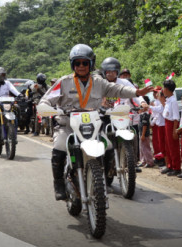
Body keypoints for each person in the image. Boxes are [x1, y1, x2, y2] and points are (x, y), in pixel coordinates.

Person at [38, 44, 153, 200]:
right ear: (72, 64)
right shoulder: (63, 82)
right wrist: (47, 108)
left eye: (85, 63)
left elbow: (117, 89)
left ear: (91, 63)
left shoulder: (99, 82)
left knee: (109, 147)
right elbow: (45, 100)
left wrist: (137, 92)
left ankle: (103, 177)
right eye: (77, 63)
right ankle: (58, 183)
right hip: (68, 127)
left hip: (93, 127)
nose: (81, 66)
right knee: (58, 150)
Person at [100, 57, 143, 173]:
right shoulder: (100, 84)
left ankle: (132, 161)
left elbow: (136, 94)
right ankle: (103, 166)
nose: (111, 73)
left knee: (132, 135)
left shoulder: (124, 83)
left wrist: (143, 103)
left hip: (122, 116)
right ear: (104, 72)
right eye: (108, 71)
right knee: (104, 141)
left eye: (114, 71)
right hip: (106, 116)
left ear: (117, 72)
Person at [160, 79, 181, 176]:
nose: (163, 89)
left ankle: (176, 167)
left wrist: (174, 131)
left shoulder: (173, 101)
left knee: (173, 147)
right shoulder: (168, 100)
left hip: (172, 124)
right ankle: (170, 165)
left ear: (167, 89)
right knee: (167, 146)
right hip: (167, 123)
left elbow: (176, 117)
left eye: (164, 88)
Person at [149, 86, 166, 166]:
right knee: (156, 142)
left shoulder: (160, 102)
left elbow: (158, 113)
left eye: (156, 92)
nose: (154, 94)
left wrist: (152, 122)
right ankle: (158, 157)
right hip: (156, 123)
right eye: (154, 92)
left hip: (159, 123)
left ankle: (162, 158)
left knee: (159, 142)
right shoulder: (156, 101)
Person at [138, 96, 154, 168]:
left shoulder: (145, 114)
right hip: (141, 133)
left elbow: (145, 125)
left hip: (144, 134)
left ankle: (149, 161)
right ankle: (143, 161)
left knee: (146, 148)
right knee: (142, 148)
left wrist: (143, 135)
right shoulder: (142, 114)